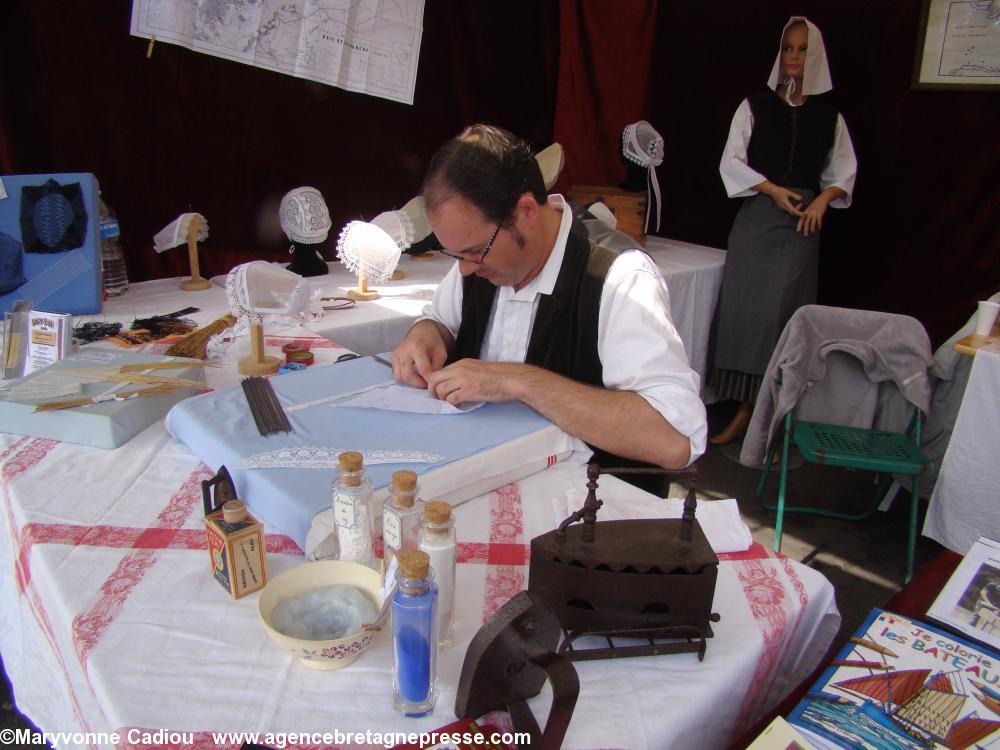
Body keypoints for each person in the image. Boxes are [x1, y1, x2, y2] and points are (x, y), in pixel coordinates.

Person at [391, 124, 706, 479]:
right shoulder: (480, 259)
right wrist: (427, 332)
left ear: (525, 212)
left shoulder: (619, 277)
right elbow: (441, 319)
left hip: (585, 510)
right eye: (455, 255)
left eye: (475, 252)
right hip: (481, 477)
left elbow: (675, 440)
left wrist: (518, 381)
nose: (463, 270)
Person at [709, 17, 857, 445]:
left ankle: (765, 416)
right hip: (758, 219)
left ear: (816, 57)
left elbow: (842, 172)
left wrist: (822, 201)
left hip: (800, 226)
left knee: (779, 319)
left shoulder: (830, 117)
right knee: (744, 313)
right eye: (788, 49)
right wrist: (772, 190)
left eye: (802, 50)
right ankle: (742, 408)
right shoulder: (754, 105)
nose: (794, 57)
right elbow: (731, 162)